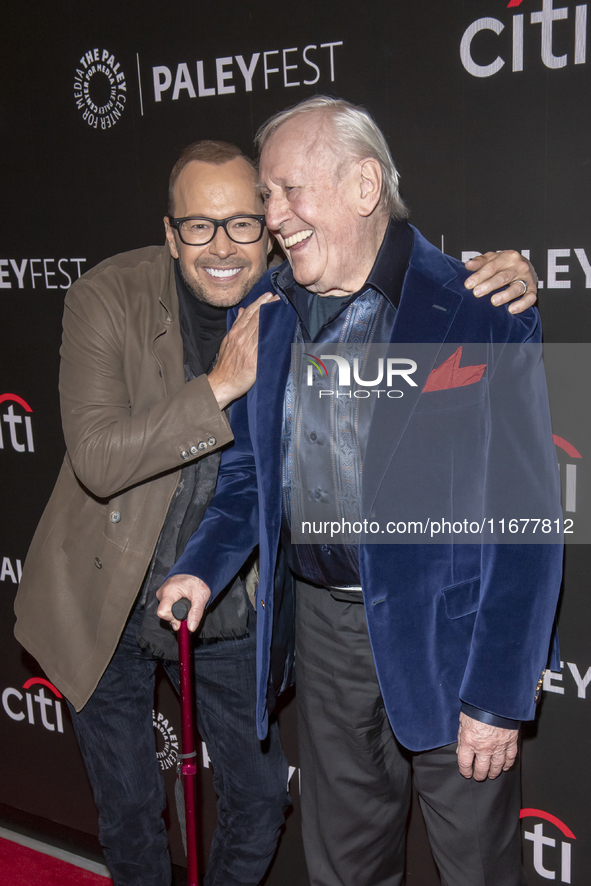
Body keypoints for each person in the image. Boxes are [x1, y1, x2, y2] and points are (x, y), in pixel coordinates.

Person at [158, 98, 562, 886]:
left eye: (286, 190)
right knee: (343, 869)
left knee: (477, 869)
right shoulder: (266, 312)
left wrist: (497, 696)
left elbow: (527, 524)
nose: (272, 216)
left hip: (450, 641)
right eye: (267, 197)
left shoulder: (481, 311)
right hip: (324, 633)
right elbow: (249, 478)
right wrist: (202, 567)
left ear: (363, 185)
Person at [14, 141, 289, 886]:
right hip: (107, 593)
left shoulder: (297, 295)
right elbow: (99, 459)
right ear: (170, 234)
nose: (223, 247)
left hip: (227, 591)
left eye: (242, 223)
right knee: (132, 810)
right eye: (199, 227)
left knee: (262, 798)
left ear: (270, 226)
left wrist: (496, 276)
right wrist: (220, 388)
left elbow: (387, 272)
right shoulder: (107, 296)